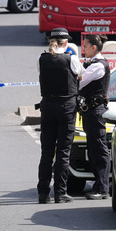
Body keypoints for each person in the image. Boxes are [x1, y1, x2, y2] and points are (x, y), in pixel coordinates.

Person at [37, 28, 84, 203]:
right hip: (66, 108)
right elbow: (81, 76)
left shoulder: (41, 59)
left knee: (46, 153)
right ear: (66, 43)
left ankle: (43, 193)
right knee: (63, 152)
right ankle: (60, 192)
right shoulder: (71, 59)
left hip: (47, 107)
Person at [78, 34, 111, 200]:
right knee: (94, 149)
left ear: (94, 48)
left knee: (99, 149)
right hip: (91, 111)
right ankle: (99, 185)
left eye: (85, 46)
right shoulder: (93, 64)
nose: (83, 49)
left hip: (95, 111)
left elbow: (79, 82)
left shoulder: (97, 66)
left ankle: (102, 188)